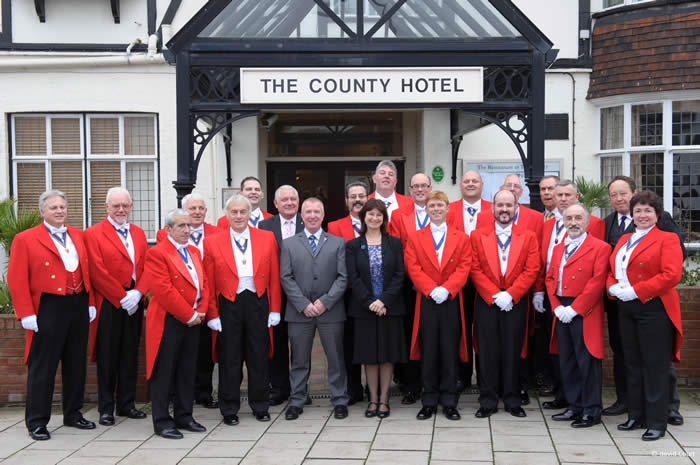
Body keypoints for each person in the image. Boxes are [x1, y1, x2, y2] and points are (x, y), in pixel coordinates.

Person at [8, 190, 96, 441]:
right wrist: (25, 313)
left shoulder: (77, 235)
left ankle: (73, 413)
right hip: (48, 305)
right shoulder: (26, 239)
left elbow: (86, 269)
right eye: (53, 207)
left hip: (77, 303)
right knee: (43, 366)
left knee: (76, 362)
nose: (59, 211)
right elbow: (16, 279)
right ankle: (37, 421)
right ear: (42, 211)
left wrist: (89, 301)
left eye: (62, 207)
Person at [602, 176, 685, 426]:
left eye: (648, 211)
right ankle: (635, 416)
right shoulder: (625, 239)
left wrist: (637, 291)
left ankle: (658, 421)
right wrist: (612, 288)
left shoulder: (667, 238)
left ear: (657, 214)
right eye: (638, 211)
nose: (642, 215)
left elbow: (671, 275)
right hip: (626, 310)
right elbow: (611, 269)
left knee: (655, 366)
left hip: (654, 309)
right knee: (633, 364)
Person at [204, 195, 281, 426]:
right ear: (227, 215)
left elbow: (275, 276)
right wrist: (212, 313)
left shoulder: (266, 237)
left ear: (250, 214)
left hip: (258, 301)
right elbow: (208, 281)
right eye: (234, 212)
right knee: (230, 358)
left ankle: (260, 405)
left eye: (243, 212)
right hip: (228, 303)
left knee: (259, 356)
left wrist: (274, 308)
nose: (238, 216)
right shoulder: (212, 241)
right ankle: (229, 408)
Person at [533, 179, 605, 409]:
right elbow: (547, 269)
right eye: (559, 195)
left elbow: (596, 272)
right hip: (554, 298)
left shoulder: (595, 229)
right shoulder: (549, 230)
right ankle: (567, 399)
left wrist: (576, 306)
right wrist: (545, 295)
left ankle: (587, 406)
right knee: (561, 353)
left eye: (567, 194)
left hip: (583, 302)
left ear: (577, 197)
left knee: (584, 355)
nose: (562, 199)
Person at [470, 189, 540, 418]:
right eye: (500, 205)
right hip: (487, 301)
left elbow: (532, 269)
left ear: (516, 208)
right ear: (492, 208)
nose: (504, 209)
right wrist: (493, 294)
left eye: (509, 205)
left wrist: (511, 294)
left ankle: (512, 399)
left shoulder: (528, 236)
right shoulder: (477, 235)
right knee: (487, 351)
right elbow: (474, 268)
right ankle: (488, 400)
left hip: (515, 302)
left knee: (513, 350)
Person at [404, 191, 471, 421]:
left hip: (451, 300)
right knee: (429, 351)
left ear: (447, 208)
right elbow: (412, 267)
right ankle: (429, 400)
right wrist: (431, 289)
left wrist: (448, 289)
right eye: (432, 206)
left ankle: (450, 401)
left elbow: (464, 267)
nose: (436, 209)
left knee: (449, 351)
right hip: (427, 300)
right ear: (427, 209)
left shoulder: (461, 237)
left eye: (440, 205)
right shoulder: (415, 237)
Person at [280, 197, 349, 420]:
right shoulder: (289, 243)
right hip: (299, 312)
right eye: (308, 212)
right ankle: (297, 400)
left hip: (331, 311)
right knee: (299, 359)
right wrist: (304, 304)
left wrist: (324, 302)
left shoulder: (337, 242)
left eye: (316, 212)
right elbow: (286, 277)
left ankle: (339, 400)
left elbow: (342, 277)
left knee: (336, 357)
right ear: (302, 215)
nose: (312, 216)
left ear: (323, 215)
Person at [84, 187, 148, 426]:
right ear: (106, 207)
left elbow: (146, 266)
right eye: (116, 206)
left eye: (125, 206)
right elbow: (96, 271)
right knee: (108, 356)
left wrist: (139, 292)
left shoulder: (139, 233)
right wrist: (122, 297)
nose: (121, 210)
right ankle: (106, 408)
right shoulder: (93, 233)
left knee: (130, 354)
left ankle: (127, 404)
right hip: (110, 303)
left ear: (131, 207)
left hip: (134, 300)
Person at [143, 209, 209, 439]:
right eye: (181, 226)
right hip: (169, 320)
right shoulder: (157, 253)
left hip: (192, 319)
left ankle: (184, 415)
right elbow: (163, 291)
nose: (186, 230)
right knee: (164, 371)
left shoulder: (193, 251)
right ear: (168, 229)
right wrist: (189, 314)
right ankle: (162, 421)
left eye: (189, 225)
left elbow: (204, 283)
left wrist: (201, 310)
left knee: (187, 369)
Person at [545, 204, 610, 428]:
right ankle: (574, 406)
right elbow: (550, 278)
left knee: (587, 360)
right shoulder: (558, 247)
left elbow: (597, 281)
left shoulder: (600, 247)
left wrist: (575, 308)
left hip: (585, 309)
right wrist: (556, 306)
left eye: (578, 218)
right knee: (568, 360)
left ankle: (591, 410)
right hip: (561, 308)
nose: (573, 222)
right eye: (569, 218)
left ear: (587, 221)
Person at [157, 192, 220, 409]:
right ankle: (176, 400)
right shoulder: (163, 241)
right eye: (192, 208)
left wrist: (202, 309)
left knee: (202, 353)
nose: (197, 212)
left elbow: (206, 277)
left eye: (201, 208)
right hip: (177, 310)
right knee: (174, 360)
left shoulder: (214, 233)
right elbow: (164, 285)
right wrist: (189, 312)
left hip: (203, 304)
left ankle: (202, 393)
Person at [346, 199, 406, 418]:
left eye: (378, 214)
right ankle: (372, 400)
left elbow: (400, 275)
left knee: (387, 355)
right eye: (370, 214)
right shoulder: (353, 245)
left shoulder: (394, 243)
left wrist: (384, 301)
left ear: (384, 218)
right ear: (364, 218)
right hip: (364, 309)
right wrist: (371, 301)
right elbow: (353, 277)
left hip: (390, 308)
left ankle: (384, 400)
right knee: (369, 355)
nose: (374, 218)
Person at [387, 173, 432, 405]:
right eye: (416, 186)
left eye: (425, 185)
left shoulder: (441, 211)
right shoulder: (398, 215)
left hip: (436, 286)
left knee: (432, 335)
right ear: (410, 190)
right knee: (410, 335)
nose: (420, 190)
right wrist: (414, 274)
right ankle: (412, 385)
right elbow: (396, 250)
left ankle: (433, 383)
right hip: (408, 286)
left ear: (430, 188)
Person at [446, 170, 493, 392]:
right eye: (466, 181)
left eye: (475, 181)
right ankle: (462, 376)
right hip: (459, 280)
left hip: (487, 279)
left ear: (482, 185)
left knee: (484, 330)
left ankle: (486, 376)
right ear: (461, 185)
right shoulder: (449, 210)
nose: (471, 184)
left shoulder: (493, 209)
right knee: (460, 328)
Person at [259, 185, 305, 406]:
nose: (289, 203)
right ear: (275, 204)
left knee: (300, 345)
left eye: (293, 199)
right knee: (276, 345)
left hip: (301, 295)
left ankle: (300, 390)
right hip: (275, 295)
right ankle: (279, 389)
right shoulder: (264, 226)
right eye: (284, 200)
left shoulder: (309, 223)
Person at [328, 181, 369, 405]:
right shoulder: (334, 226)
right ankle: (353, 388)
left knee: (371, 340)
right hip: (347, 294)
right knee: (349, 343)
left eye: (361, 196)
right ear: (346, 201)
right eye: (353, 197)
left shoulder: (377, 221)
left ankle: (374, 388)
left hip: (372, 294)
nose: (357, 200)